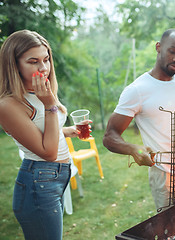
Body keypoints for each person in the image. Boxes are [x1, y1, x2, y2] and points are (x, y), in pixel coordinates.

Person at [0, 30, 86, 240]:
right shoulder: (8, 104)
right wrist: (49, 105)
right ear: (15, 65)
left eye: (46, 59)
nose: (43, 68)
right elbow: (47, 152)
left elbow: (44, 133)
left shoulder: (40, 91)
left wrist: (69, 131)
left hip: (55, 178)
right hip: (39, 182)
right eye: (33, 61)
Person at [103, 29, 175, 210]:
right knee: (174, 234)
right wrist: (134, 149)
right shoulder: (137, 90)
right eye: (173, 51)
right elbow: (109, 136)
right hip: (165, 177)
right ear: (158, 47)